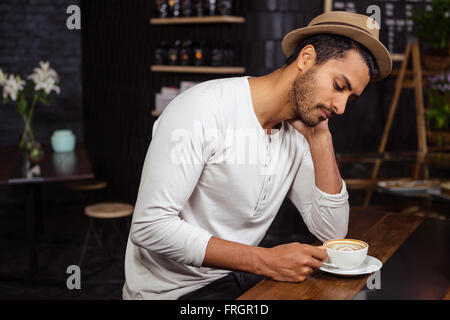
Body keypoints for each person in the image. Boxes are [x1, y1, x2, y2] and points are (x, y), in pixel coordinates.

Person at [122, 11, 392, 300]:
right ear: (306, 58)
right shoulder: (203, 108)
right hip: (170, 293)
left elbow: (332, 232)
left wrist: (320, 137)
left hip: (236, 283)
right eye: (339, 86)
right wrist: (264, 260)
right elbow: (150, 227)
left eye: (350, 98)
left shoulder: (302, 132)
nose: (341, 107)